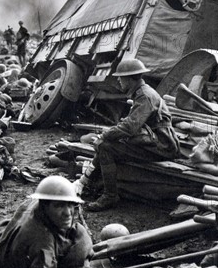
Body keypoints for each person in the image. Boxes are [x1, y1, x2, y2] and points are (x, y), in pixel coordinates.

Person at [75, 59, 180, 211]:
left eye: (120, 78)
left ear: (131, 78)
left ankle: (110, 196)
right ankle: (85, 182)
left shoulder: (145, 96)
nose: (118, 81)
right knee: (105, 144)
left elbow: (129, 127)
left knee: (105, 147)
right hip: (152, 142)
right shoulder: (141, 93)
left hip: (162, 146)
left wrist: (104, 135)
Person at [0, 175, 92, 268]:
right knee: (80, 249)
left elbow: (76, 232)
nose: (68, 213)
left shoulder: (38, 203)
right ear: (45, 206)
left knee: (82, 239)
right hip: (9, 263)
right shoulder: (42, 242)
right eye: (59, 206)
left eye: (70, 204)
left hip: (12, 241)